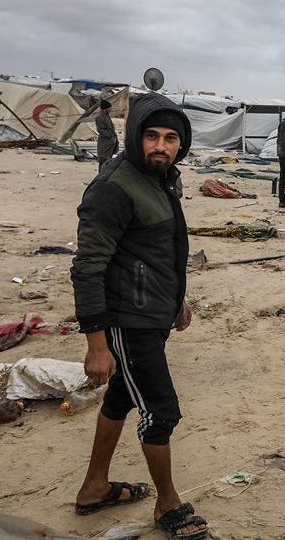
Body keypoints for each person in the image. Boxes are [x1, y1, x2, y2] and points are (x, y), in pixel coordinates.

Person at [70, 95, 208, 540]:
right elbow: (87, 267)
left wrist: (177, 299)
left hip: (152, 312)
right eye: (152, 136)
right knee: (160, 409)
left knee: (122, 396)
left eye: (171, 138)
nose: (161, 146)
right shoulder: (114, 186)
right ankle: (167, 505)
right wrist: (96, 343)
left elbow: (159, 249)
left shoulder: (162, 178)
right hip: (127, 320)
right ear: (135, 137)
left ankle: (94, 487)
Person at [95, 99, 119, 169]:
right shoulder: (99, 117)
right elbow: (101, 130)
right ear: (106, 108)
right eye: (110, 107)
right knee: (103, 161)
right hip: (105, 143)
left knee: (108, 162)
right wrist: (110, 136)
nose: (111, 109)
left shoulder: (106, 116)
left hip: (110, 144)